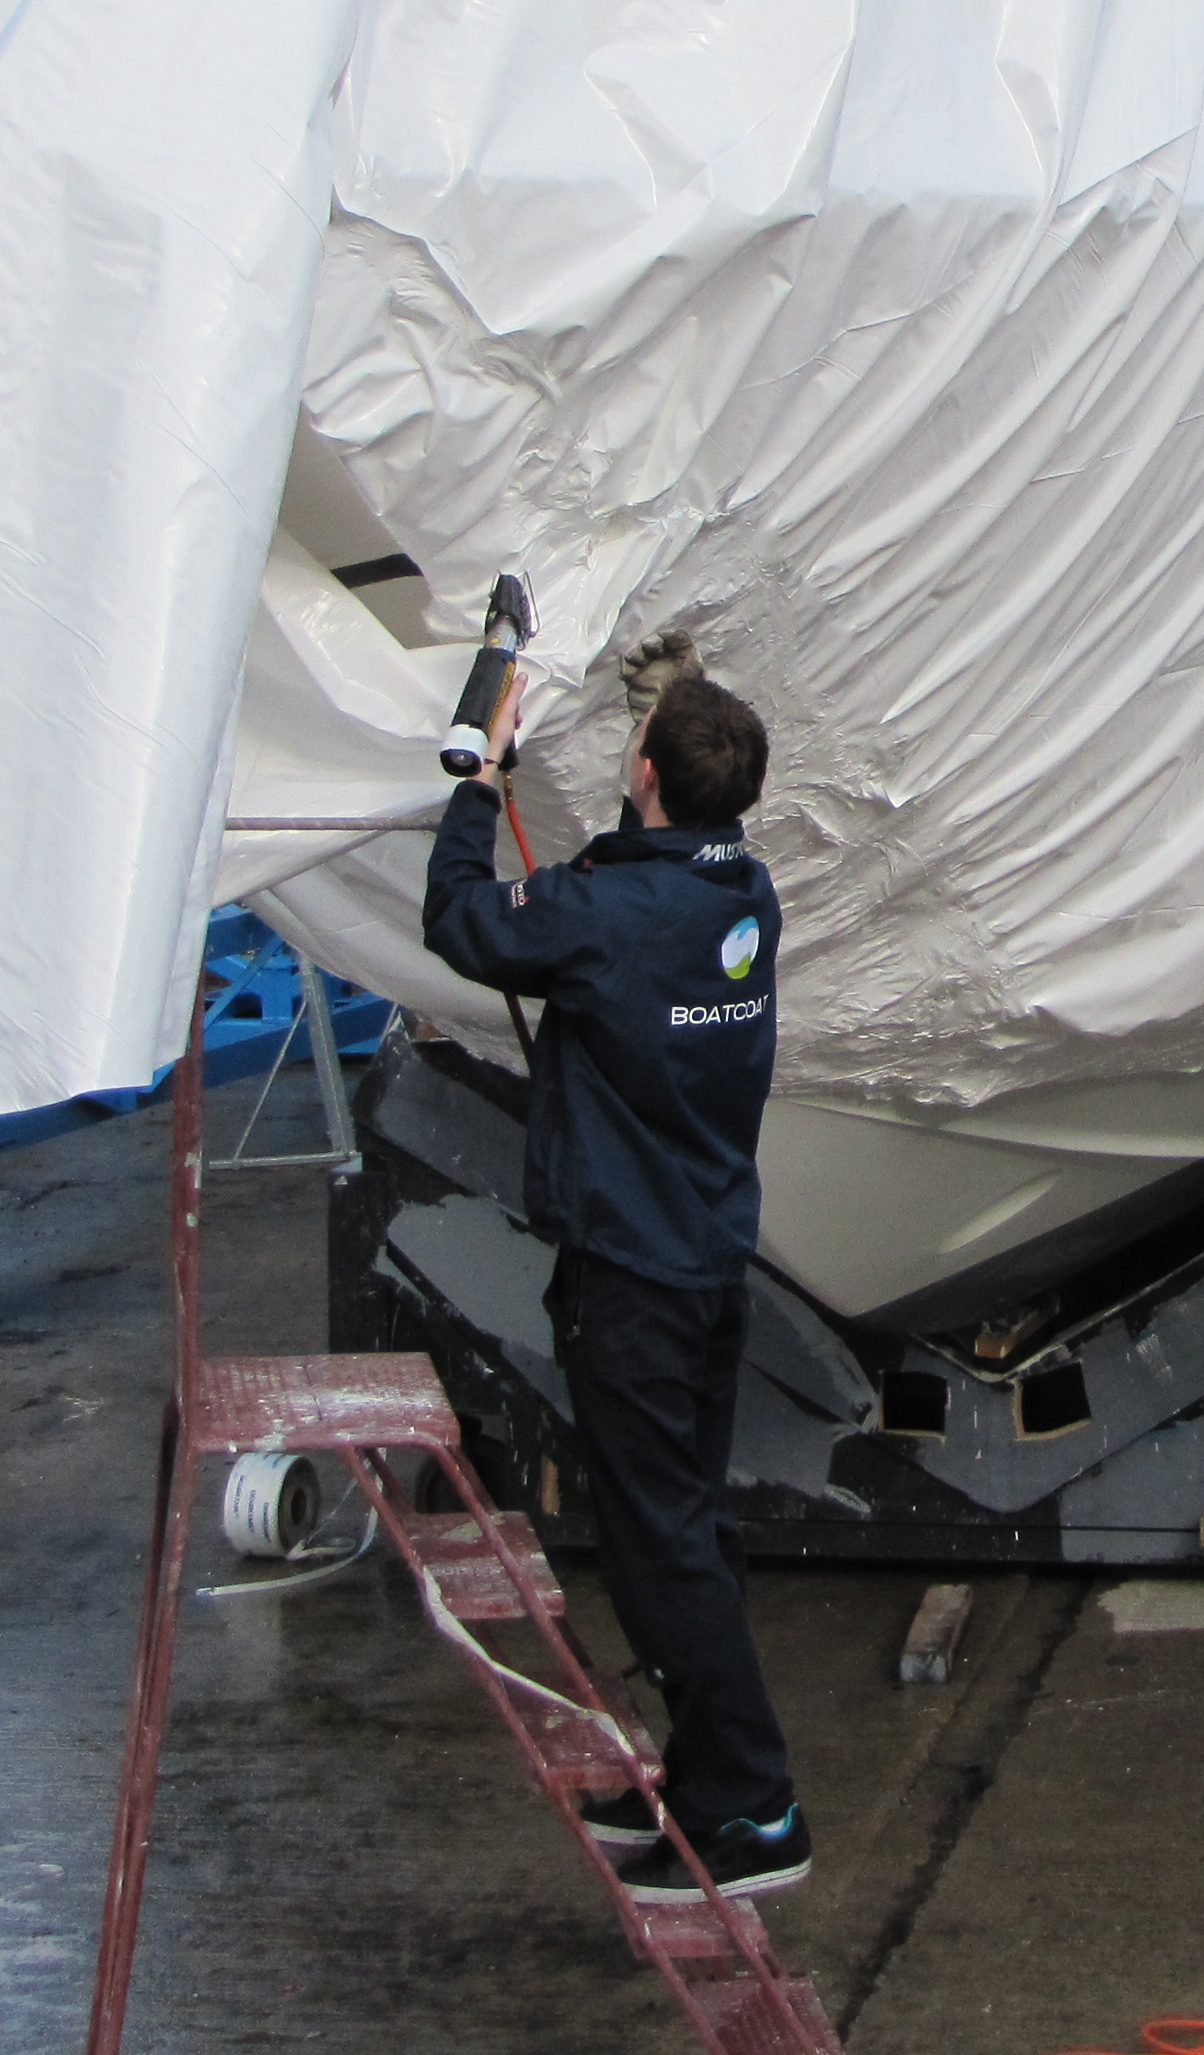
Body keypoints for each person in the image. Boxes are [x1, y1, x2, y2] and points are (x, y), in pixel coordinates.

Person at [421, 641, 809, 1902]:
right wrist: (654, 763)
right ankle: (704, 1797)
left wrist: (480, 780)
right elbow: (636, 877)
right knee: (686, 1530)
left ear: (643, 773)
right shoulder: (743, 897)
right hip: (702, 1265)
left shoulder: (610, 917)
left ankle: (753, 1813)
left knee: (658, 1550)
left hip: (633, 1281)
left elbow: (461, 923)